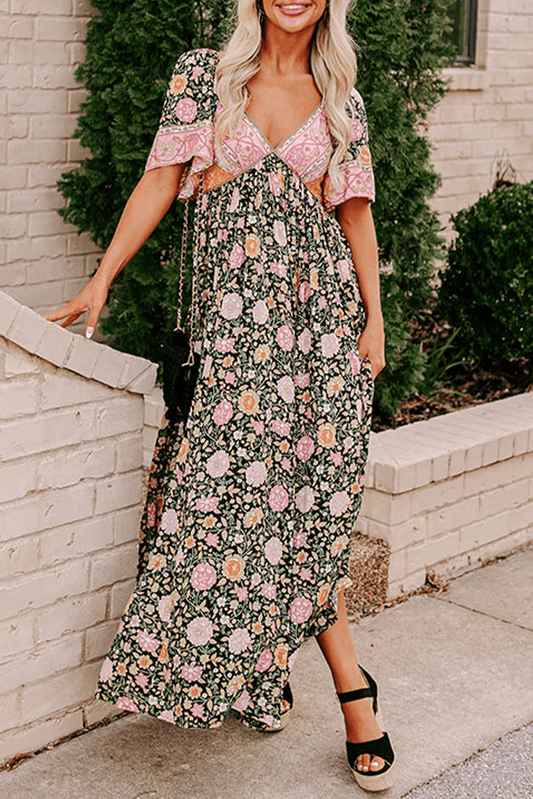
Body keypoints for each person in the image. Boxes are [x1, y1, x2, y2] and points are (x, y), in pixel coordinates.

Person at [46, 0, 394, 791]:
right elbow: (160, 180)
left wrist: (373, 321)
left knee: (306, 510)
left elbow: (355, 215)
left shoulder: (342, 98)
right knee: (229, 508)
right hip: (234, 344)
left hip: (321, 337)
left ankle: (342, 696)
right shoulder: (203, 77)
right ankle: (317, 681)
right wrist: (101, 278)